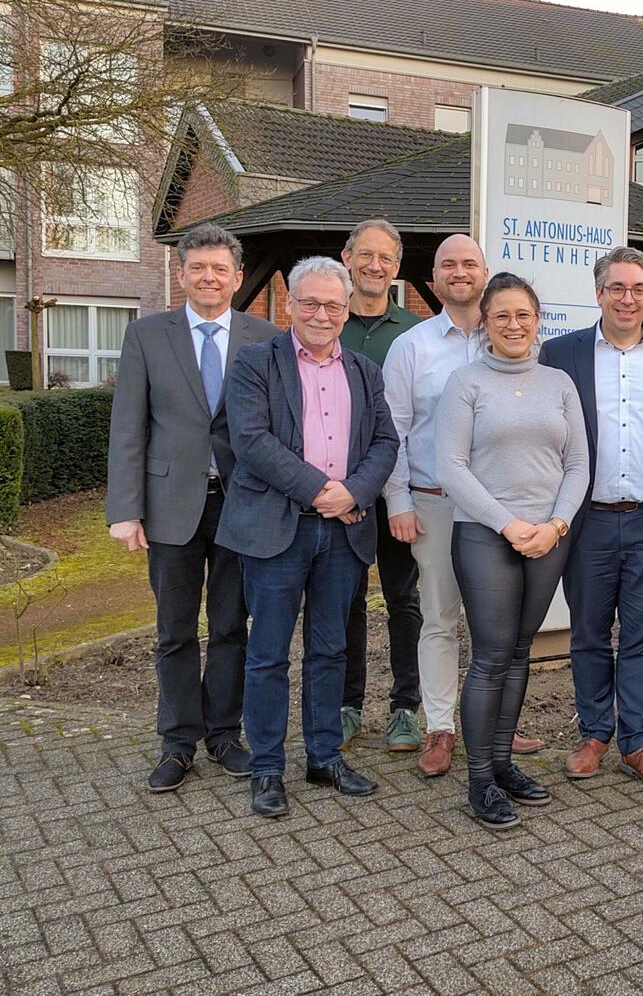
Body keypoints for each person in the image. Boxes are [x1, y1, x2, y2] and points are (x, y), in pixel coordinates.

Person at [216, 257, 399, 818]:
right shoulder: (254, 363)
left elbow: (386, 443)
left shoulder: (365, 371)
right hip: (276, 530)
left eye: (334, 305)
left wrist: (354, 493)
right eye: (311, 303)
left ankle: (324, 756)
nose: (322, 314)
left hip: (343, 535)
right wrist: (325, 491)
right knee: (268, 654)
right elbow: (251, 441)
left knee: (330, 649)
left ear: (347, 309)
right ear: (290, 302)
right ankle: (268, 768)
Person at [106, 222, 278, 792]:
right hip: (169, 505)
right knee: (174, 630)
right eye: (197, 268)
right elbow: (128, 427)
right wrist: (124, 510)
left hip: (240, 506)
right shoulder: (147, 335)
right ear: (181, 275)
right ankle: (178, 741)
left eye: (219, 269)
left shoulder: (265, 336)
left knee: (232, 625)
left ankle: (225, 734)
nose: (209, 278)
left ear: (235, 276)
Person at [538, 247, 643, 791]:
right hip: (587, 522)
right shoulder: (561, 354)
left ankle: (639, 743)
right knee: (586, 632)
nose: (628, 299)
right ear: (598, 292)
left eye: (639, 290)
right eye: (617, 288)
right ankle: (594, 734)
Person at [435, 273, 588, 829]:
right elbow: (449, 466)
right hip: (485, 533)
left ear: (537, 319)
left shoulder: (559, 383)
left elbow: (577, 464)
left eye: (523, 314)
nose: (514, 325)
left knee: (521, 651)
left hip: (547, 537)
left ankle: (502, 764)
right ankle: (479, 781)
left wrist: (556, 524)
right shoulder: (466, 382)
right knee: (492, 656)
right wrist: (507, 524)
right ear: (485, 323)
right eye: (501, 315)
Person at [381, 234, 538, 776]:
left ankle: (497, 725)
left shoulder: (512, 341)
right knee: (440, 619)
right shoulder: (414, 347)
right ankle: (441, 729)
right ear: (434, 279)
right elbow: (393, 431)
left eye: (470, 262)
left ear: (486, 271)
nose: (459, 271)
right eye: (448, 264)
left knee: (501, 627)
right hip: (436, 505)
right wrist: (398, 498)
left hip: (509, 511)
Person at [337, 219, 425, 756]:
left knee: (402, 597)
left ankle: (405, 708)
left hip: (397, 490)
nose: (375, 266)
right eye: (365, 254)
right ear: (346, 257)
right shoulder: (323, 321)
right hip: (338, 492)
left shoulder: (414, 333)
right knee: (343, 600)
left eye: (386, 258)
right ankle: (346, 705)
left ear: (397, 267)